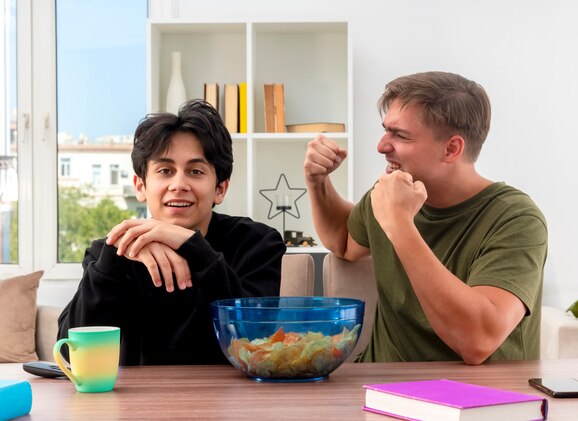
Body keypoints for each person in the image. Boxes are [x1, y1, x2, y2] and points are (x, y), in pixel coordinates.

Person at [304, 71, 547, 365]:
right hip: (381, 391)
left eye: (400, 135)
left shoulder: (516, 218)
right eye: (386, 130)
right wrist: (318, 183)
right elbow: (344, 240)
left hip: (480, 400)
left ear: (451, 149)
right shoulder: (389, 193)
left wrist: (400, 225)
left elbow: (477, 340)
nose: (381, 146)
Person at [58, 99, 286, 365]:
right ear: (140, 186)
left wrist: (193, 246)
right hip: (136, 404)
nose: (178, 184)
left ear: (220, 189)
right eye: (165, 171)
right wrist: (114, 258)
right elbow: (69, 355)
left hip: (229, 401)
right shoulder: (109, 254)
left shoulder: (257, 244)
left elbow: (255, 341)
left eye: (195, 171)